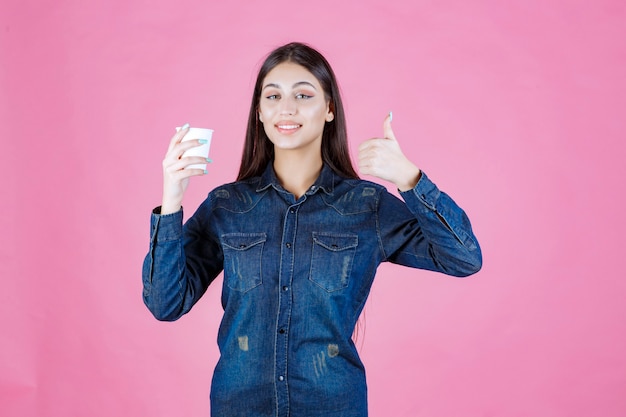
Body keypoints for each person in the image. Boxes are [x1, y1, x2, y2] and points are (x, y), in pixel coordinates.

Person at [142, 42, 482, 417]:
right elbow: (165, 304)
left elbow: (463, 257)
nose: (286, 108)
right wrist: (171, 200)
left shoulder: (365, 205)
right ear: (259, 111)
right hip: (240, 406)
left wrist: (410, 179)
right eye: (273, 96)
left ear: (330, 109)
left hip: (332, 404)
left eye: (303, 95)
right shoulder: (227, 206)